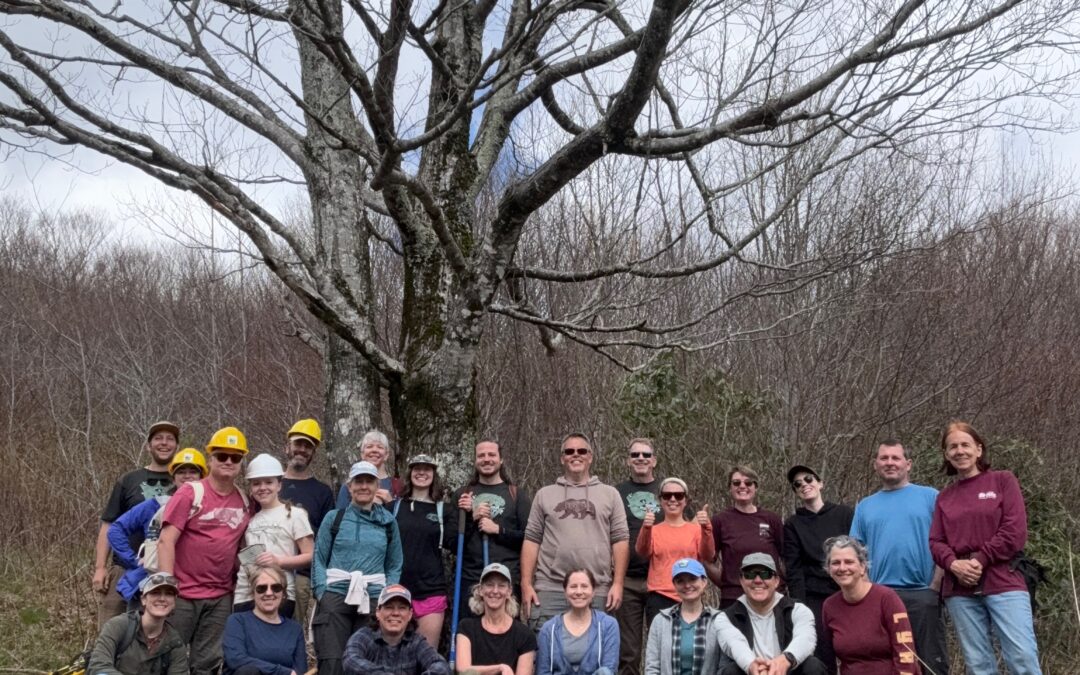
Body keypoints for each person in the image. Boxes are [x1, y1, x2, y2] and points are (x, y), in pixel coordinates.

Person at [929, 421, 1042, 674]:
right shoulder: (944, 497)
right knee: (978, 664)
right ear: (947, 454)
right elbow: (935, 541)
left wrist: (979, 560)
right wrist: (953, 564)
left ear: (979, 450)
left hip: (1004, 580)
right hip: (959, 589)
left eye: (965, 445)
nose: (960, 451)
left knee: (1022, 657)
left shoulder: (1003, 481)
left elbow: (1014, 532)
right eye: (953, 447)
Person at [156, 426, 253, 675]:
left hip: (220, 596)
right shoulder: (191, 492)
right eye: (222, 456)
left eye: (236, 457)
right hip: (183, 593)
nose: (228, 461)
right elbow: (166, 540)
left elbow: (239, 549)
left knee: (207, 663)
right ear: (210, 458)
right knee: (167, 657)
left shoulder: (243, 500)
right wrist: (167, 587)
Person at [850, 440, 948, 675]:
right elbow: (855, 551)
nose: (890, 463)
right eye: (884, 458)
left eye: (895, 458)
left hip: (923, 593)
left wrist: (936, 584)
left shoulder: (930, 497)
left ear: (908, 464)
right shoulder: (865, 506)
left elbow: (947, 541)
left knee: (930, 662)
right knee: (889, 662)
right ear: (876, 465)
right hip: (880, 596)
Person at [521, 433, 630, 630]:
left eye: (582, 451)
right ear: (562, 458)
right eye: (569, 451)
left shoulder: (610, 494)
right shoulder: (544, 494)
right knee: (546, 651)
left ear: (590, 456)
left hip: (597, 588)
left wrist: (618, 583)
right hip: (550, 587)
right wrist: (526, 584)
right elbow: (531, 540)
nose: (575, 455)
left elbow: (620, 540)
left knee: (595, 652)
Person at [312, 460, 404, 675]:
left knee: (365, 663)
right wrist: (321, 592)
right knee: (332, 662)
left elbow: (394, 563)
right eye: (358, 481)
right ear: (349, 486)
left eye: (369, 482)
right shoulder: (334, 518)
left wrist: (386, 596)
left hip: (372, 599)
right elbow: (319, 558)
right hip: (335, 595)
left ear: (376, 486)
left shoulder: (388, 522)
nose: (364, 486)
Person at [94, 421, 180, 626]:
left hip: (167, 572)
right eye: (158, 438)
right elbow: (108, 524)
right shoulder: (129, 480)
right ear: (149, 446)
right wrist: (100, 568)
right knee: (113, 629)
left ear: (177, 446)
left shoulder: (186, 479)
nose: (164, 443)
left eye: (170, 439)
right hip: (125, 568)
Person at [107, 448, 208, 609]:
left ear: (202, 477)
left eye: (193, 471)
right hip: (152, 585)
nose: (187, 475)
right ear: (173, 478)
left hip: (195, 587)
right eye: (181, 471)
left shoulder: (210, 509)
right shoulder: (156, 505)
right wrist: (134, 561)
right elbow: (115, 530)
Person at [782, 464, 853, 675]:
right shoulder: (793, 525)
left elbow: (857, 556)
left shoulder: (845, 514)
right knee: (823, 656)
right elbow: (794, 570)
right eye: (798, 484)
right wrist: (800, 607)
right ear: (795, 492)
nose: (804, 485)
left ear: (820, 483)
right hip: (814, 601)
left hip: (846, 594)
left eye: (809, 479)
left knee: (855, 650)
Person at [453, 439, 532, 618]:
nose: (486, 459)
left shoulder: (516, 495)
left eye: (491, 455)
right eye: (481, 455)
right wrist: (471, 519)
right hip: (471, 578)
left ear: (501, 459)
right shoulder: (462, 495)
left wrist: (498, 530)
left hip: (506, 579)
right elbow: (452, 542)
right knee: (471, 635)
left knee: (503, 637)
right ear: (475, 460)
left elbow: (528, 538)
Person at [714, 553, 826, 675]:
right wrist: (752, 666)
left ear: (776, 581)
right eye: (750, 574)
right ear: (741, 580)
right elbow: (736, 645)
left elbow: (805, 639)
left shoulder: (798, 610)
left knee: (813, 666)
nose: (757, 580)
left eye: (765, 574)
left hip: (788, 672)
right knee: (730, 671)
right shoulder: (725, 618)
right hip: (753, 673)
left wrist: (784, 661)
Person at [821, 536, 920, 674]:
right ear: (829, 570)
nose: (842, 568)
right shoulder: (829, 606)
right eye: (836, 563)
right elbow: (828, 658)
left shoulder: (887, 598)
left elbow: (906, 654)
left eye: (849, 562)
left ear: (863, 567)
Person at [233, 453, 314, 619]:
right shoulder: (250, 518)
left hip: (278, 591)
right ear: (251, 488)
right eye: (256, 483)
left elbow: (310, 555)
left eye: (269, 482)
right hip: (246, 592)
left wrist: (279, 561)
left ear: (279, 485)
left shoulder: (294, 514)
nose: (263, 487)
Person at [279, 418, 335, 631]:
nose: (302, 450)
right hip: (266, 569)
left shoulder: (322, 492)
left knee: (290, 630)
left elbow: (326, 537)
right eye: (298, 444)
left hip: (301, 575)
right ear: (287, 447)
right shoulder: (269, 483)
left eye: (308, 446)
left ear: (313, 453)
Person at [635, 477, 715, 624]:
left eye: (678, 495)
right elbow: (642, 552)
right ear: (660, 500)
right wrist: (646, 528)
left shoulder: (696, 530)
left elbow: (708, 555)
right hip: (660, 597)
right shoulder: (653, 530)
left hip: (690, 594)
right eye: (667, 495)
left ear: (685, 500)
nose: (673, 499)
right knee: (662, 645)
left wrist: (706, 529)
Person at [395, 453, 455, 647]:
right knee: (392, 654)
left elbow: (455, 542)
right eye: (416, 468)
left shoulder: (443, 510)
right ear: (410, 473)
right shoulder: (393, 507)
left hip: (431, 591)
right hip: (397, 591)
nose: (421, 472)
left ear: (434, 474)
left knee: (426, 654)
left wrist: (471, 514)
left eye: (427, 469)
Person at [615, 438, 662, 675]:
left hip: (661, 580)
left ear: (654, 460)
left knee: (661, 649)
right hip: (628, 581)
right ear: (628, 461)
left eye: (645, 454)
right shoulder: (615, 493)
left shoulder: (668, 492)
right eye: (635, 455)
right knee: (629, 651)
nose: (640, 458)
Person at [705, 466, 783, 609]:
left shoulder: (772, 519)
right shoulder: (720, 521)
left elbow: (787, 557)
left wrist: (778, 584)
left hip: (769, 598)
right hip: (734, 599)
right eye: (736, 483)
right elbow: (708, 560)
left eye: (748, 483)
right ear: (730, 488)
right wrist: (726, 583)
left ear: (756, 487)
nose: (742, 486)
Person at [87, 572, 189, 675]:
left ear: (174, 602)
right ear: (143, 599)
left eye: (169, 594)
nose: (162, 598)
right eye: (155, 592)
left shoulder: (175, 643)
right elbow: (98, 667)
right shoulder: (118, 626)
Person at [342, 584, 451, 675]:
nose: (395, 613)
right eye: (389, 607)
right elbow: (350, 660)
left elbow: (440, 665)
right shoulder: (363, 636)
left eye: (402, 608)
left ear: (409, 614)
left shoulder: (416, 642)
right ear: (378, 612)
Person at [643, 558, 723, 675]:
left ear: (704, 581)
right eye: (680, 581)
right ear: (674, 585)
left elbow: (723, 667)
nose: (687, 585)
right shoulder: (660, 621)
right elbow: (652, 668)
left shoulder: (718, 620)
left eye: (692, 579)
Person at [455, 562, 538, 674]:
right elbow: (464, 670)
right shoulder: (466, 627)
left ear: (509, 591)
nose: (495, 591)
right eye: (489, 585)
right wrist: (500, 668)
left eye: (501, 586)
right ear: (480, 590)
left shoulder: (525, 635)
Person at [222, 566, 306, 675]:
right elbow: (235, 659)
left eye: (276, 587)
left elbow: (300, 671)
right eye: (262, 588)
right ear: (253, 592)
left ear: (283, 592)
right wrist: (282, 672)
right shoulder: (237, 621)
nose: (269, 593)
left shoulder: (295, 629)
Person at [536, 569, 620, 675]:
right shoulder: (549, 629)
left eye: (584, 586)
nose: (579, 592)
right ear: (565, 592)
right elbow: (542, 671)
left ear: (593, 591)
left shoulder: (608, 625)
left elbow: (610, 668)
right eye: (573, 586)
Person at [335, 429, 403, 509]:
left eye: (380, 447)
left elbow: (403, 519)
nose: (374, 450)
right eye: (369, 446)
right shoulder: (349, 486)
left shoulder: (398, 486)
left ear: (386, 455)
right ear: (362, 454)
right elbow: (340, 517)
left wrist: (391, 503)